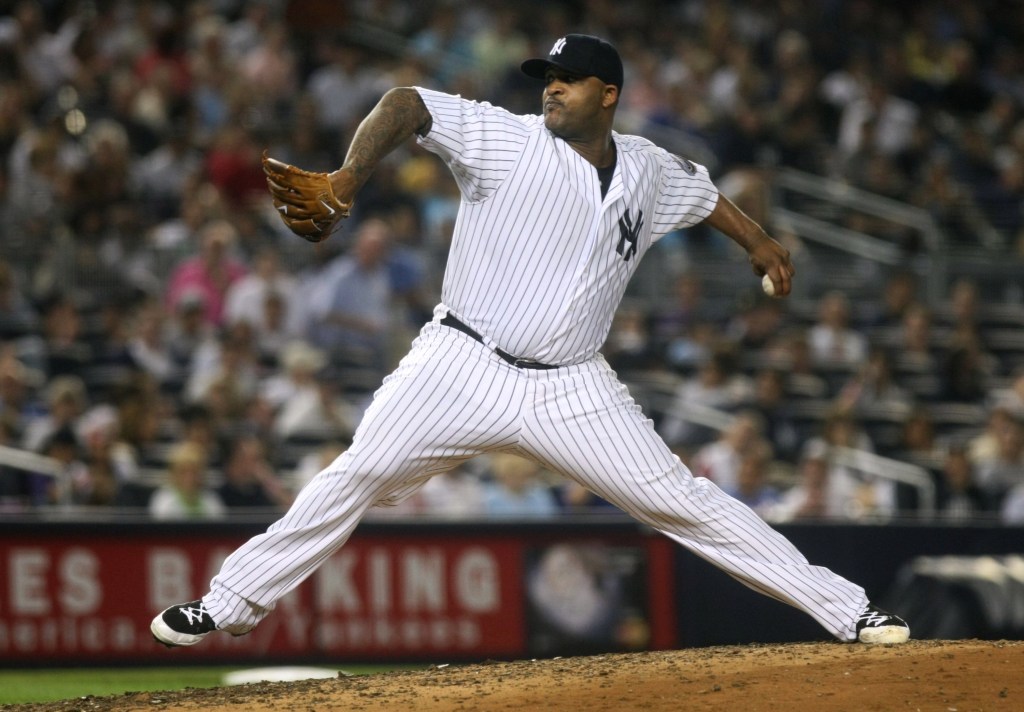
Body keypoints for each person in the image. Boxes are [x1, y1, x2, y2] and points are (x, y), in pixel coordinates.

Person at [151, 34, 908, 648]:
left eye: (570, 79)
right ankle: (229, 602)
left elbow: (705, 193)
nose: (551, 86)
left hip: (572, 386)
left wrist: (763, 244)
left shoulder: (645, 168)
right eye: (548, 75)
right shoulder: (505, 139)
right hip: (461, 362)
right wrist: (349, 175)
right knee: (357, 473)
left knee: (686, 501)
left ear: (607, 95)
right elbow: (407, 102)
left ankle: (849, 612)